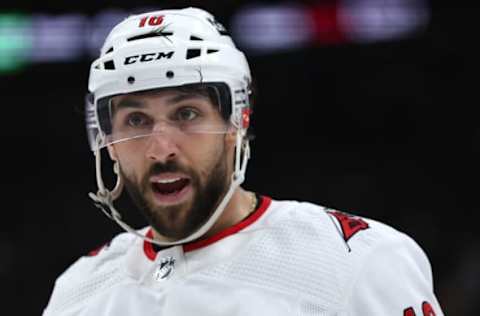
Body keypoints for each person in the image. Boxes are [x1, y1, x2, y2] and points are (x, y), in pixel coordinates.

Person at [43, 7, 444, 316]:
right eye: (136, 121)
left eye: (186, 113)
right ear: (107, 140)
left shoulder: (359, 259)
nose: (160, 148)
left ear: (238, 120)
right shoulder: (78, 292)